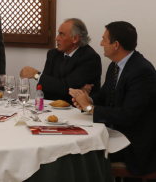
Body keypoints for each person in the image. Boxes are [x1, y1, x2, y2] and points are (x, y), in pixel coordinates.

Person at [70, 21, 156, 176]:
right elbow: (104, 95)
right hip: (115, 132)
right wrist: (88, 99)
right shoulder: (115, 65)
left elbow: (127, 115)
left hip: (134, 144)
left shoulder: (142, 71)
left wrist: (90, 109)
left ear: (116, 45)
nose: (101, 43)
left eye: (104, 39)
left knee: (79, 156)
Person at [20, 18, 101, 104]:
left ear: (75, 38)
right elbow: (43, 88)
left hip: (77, 110)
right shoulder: (53, 54)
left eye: (62, 34)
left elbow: (64, 87)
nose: (56, 38)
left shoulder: (90, 58)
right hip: (51, 107)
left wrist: (36, 75)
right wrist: (74, 91)